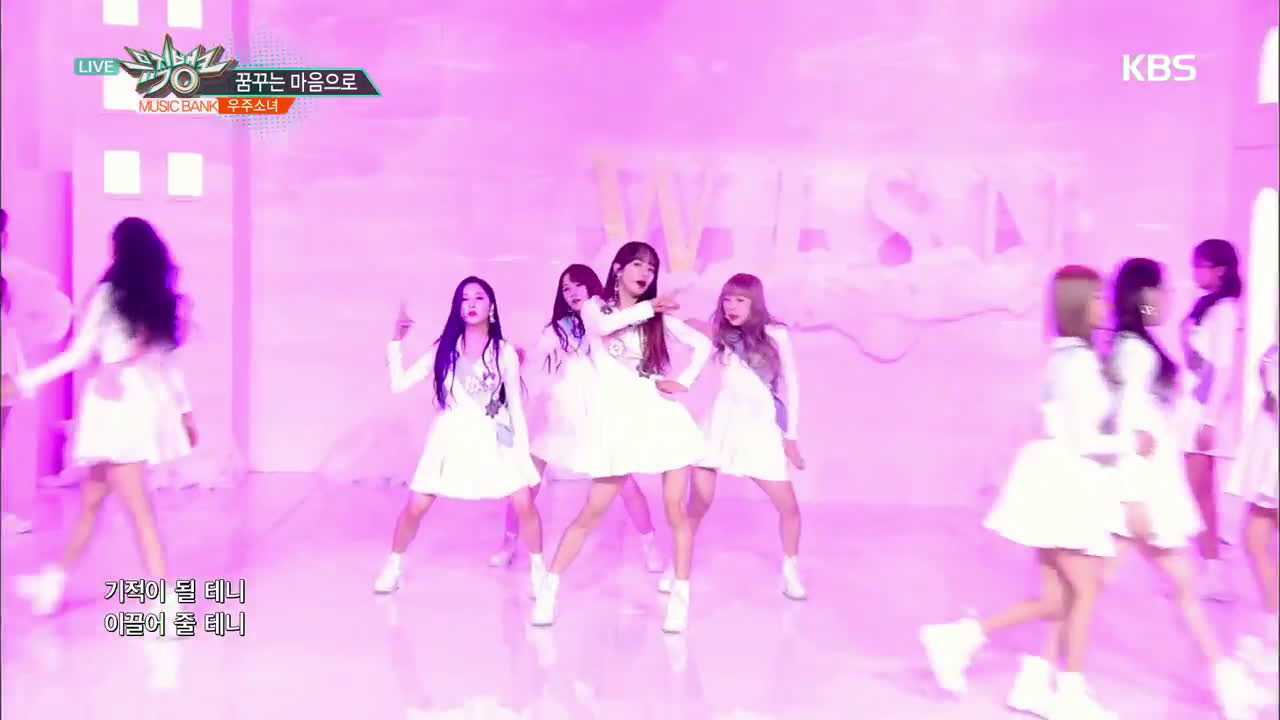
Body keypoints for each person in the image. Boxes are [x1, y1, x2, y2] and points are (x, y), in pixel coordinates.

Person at [920, 265, 1145, 719]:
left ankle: (968, 644)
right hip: (1067, 482)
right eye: (1097, 297)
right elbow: (1079, 439)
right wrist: (1130, 443)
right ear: (1078, 304)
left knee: (1057, 598)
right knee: (1084, 589)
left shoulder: (1064, 357)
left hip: (1055, 481)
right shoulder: (1078, 363)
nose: (1105, 305)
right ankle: (1070, 693)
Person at [4, 217, 196, 618]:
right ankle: (54, 582)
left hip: (115, 405)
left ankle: (165, 600)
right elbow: (169, 366)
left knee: (137, 507)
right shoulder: (160, 299)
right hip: (143, 402)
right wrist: (185, 414)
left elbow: (78, 355)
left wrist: (22, 383)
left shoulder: (110, 295)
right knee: (92, 502)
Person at [531, 241, 711, 633]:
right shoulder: (596, 307)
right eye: (637, 264)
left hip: (662, 419)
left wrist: (683, 381)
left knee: (675, 509)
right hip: (618, 425)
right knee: (591, 512)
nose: (645, 273)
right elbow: (602, 327)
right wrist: (651, 307)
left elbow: (702, 344)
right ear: (617, 269)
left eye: (651, 268)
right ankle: (550, 589)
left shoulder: (655, 319)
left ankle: (680, 598)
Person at [371, 277, 544, 596]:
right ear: (458, 307)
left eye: (479, 297)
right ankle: (393, 565)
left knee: (524, 504)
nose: (472, 304)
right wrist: (396, 341)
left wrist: (521, 453)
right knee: (415, 507)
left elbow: (514, 406)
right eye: (465, 299)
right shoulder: (444, 348)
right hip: (449, 439)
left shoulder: (504, 352)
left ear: (491, 306)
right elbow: (399, 384)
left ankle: (539, 573)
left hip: (494, 438)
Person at [491, 263, 664, 573]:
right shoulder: (556, 329)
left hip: (599, 416)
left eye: (578, 285)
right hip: (561, 417)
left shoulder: (609, 320)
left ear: (592, 286)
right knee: (525, 484)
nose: (572, 292)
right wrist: (517, 357)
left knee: (625, 485)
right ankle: (508, 543)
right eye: (566, 288)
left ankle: (650, 544)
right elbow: (536, 355)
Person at [671, 273, 807, 600]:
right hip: (721, 425)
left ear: (755, 302)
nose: (731, 306)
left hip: (760, 429)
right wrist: (664, 309)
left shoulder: (776, 334)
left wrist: (791, 436)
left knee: (788, 507)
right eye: (727, 300)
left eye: (740, 300)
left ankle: (790, 571)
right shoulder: (722, 334)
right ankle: (676, 567)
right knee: (698, 503)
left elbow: (792, 384)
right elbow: (684, 326)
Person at [1178, 238, 1242, 601]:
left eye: (1201, 265)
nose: (1196, 272)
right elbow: (1199, 363)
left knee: (1198, 491)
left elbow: (1224, 368)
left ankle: (1213, 569)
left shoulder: (1225, 311)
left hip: (1204, 412)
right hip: (1195, 406)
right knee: (1200, 491)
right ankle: (1211, 568)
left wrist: (1210, 419)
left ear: (1220, 269)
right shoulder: (1208, 305)